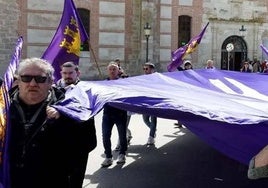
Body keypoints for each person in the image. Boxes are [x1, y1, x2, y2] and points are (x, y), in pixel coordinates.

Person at [8, 57, 82, 187]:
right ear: (18, 81)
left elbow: (86, 144)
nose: (32, 84)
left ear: (50, 82)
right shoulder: (2, 107)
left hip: (52, 181)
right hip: (10, 180)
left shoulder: (70, 107)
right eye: (26, 78)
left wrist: (63, 120)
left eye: (40, 79)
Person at [55, 61, 97, 187]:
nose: (68, 76)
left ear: (77, 73)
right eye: (65, 73)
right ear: (61, 73)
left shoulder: (87, 89)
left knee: (76, 179)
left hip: (81, 144)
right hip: (59, 144)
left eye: (71, 73)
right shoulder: (54, 90)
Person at [101, 62, 128, 167]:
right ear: (108, 71)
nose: (112, 71)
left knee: (122, 135)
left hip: (120, 114)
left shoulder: (123, 83)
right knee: (105, 136)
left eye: (114, 69)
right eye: (110, 69)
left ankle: (122, 154)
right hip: (107, 114)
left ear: (118, 71)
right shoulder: (104, 83)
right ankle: (108, 157)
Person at [142, 62, 157, 145]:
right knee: (145, 120)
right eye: (144, 69)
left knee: (153, 119)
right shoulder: (143, 78)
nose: (145, 70)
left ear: (152, 69)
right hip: (145, 102)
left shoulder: (156, 77)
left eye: (146, 69)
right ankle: (153, 129)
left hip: (154, 102)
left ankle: (151, 137)